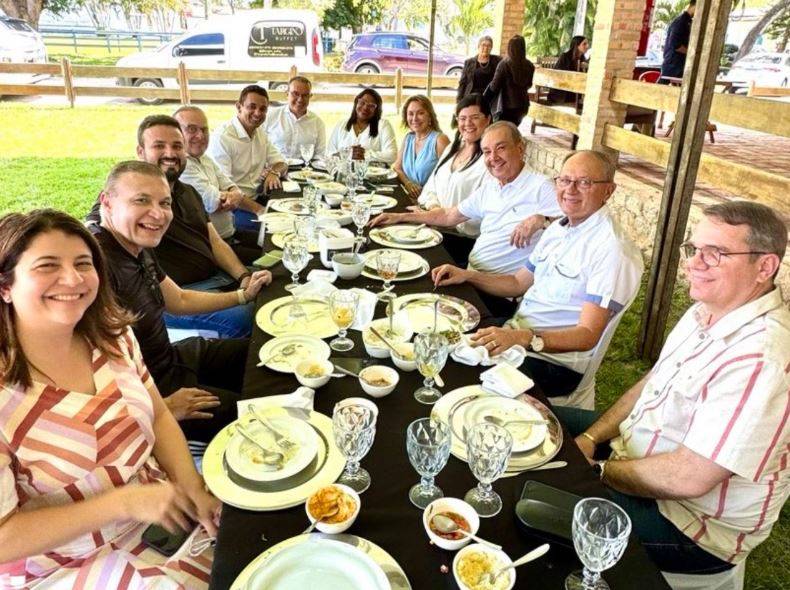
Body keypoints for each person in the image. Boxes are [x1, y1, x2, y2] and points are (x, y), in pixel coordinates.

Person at [561, 200, 788, 575]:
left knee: (539, 504)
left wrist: (597, 470)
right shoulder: (707, 310)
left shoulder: (761, 356)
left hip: (689, 526)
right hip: (632, 454)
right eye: (694, 248)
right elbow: (650, 385)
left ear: (765, 266)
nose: (695, 263)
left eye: (716, 253)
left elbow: (689, 477)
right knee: (533, 419)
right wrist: (588, 438)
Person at [0, 209, 219, 587]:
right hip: (67, 563)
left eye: (83, 263)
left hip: (163, 520)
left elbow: (159, 417)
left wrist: (192, 487)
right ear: (5, 286)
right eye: (47, 266)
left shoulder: (113, 337)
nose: (72, 279)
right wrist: (123, 502)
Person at [432, 150, 643, 398]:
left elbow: (587, 334)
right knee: (439, 332)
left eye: (584, 182)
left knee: (456, 380)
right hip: (518, 334)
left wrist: (523, 338)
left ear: (608, 190)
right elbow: (517, 283)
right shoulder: (558, 228)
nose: (570, 190)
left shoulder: (610, 249)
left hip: (554, 362)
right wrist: (468, 276)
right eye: (564, 180)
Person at [94, 160, 270, 442]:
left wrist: (242, 295)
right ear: (107, 202)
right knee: (260, 421)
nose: (158, 214)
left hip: (174, 358)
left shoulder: (137, 244)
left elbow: (180, 299)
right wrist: (161, 408)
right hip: (157, 392)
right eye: (141, 200)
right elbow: (83, 380)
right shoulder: (94, 267)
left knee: (267, 356)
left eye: (165, 203)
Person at [86, 114, 268, 339]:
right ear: (141, 151)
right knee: (251, 316)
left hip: (218, 278)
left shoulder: (188, 192)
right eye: (159, 146)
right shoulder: (123, 200)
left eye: (177, 146)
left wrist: (242, 276)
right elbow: (96, 225)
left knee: (273, 287)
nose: (170, 154)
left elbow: (214, 241)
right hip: (178, 296)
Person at [371, 121, 561, 317]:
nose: (493, 157)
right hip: (469, 275)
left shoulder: (540, 186)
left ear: (520, 148)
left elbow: (572, 224)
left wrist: (542, 219)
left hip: (496, 295)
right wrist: (401, 216)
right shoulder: (493, 186)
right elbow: (450, 215)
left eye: (501, 148)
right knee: (400, 283)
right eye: (487, 152)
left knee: (412, 310)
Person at [174, 105, 264, 264]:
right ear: (176, 133)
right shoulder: (183, 166)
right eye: (192, 129)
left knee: (275, 240)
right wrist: (229, 197)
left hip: (231, 235)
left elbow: (232, 187)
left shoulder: (205, 159)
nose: (200, 136)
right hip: (213, 250)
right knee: (275, 261)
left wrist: (231, 195)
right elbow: (213, 202)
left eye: (204, 129)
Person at [208, 85, 288, 229]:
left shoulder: (260, 133)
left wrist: (274, 172)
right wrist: (259, 210)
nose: (258, 113)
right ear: (239, 107)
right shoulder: (223, 138)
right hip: (234, 208)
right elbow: (225, 191)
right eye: (252, 107)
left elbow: (282, 163)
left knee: (295, 213)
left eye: (263, 109)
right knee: (279, 228)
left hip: (257, 197)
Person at [417, 93, 492, 238]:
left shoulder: (489, 160)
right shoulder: (453, 149)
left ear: (488, 119)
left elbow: (482, 212)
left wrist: (445, 219)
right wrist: (434, 209)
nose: (468, 123)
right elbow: (430, 188)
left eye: (475, 117)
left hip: (462, 239)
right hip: (436, 227)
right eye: (462, 118)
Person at [392, 95, 450, 200]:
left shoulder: (440, 140)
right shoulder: (408, 139)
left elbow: (450, 177)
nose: (414, 118)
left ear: (430, 116)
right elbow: (397, 167)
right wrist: (408, 184)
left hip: (432, 202)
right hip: (409, 198)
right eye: (410, 114)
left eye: (420, 113)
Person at [327, 88, 397, 164]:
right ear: (356, 103)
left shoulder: (383, 125)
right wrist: (347, 153)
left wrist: (365, 154)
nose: (365, 108)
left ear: (377, 110)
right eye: (362, 102)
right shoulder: (341, 124)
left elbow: (392, 155)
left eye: (371, 106)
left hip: (372, 174)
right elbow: (329, 154)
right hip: (343, 174)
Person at [265, 76, 327, 161]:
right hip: (275, 169)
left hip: (304, 171)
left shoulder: (317, 123)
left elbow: (320, 155)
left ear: (310, 96)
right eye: (295, 94)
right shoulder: (271, 116)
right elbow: (259, 147)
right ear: (287, 94)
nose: (300, 99)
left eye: (305, 95)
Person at [483, 35, 535, 126]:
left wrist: (483, 101)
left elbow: (494, 86)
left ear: (509, 47)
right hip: (523, 106)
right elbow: (529, 85)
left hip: (506, 107)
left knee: (502, 133)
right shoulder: (530, 65)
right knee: (512, 130)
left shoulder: (504, 64)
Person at [456, 36, 503, 103]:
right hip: (472, 96)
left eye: (489, 46)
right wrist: (458, 101)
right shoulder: (469, 62)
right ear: (478, 46)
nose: (486, 48)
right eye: (483, 45)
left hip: (489, 97)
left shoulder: (497, 61)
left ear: (491, 48)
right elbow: (462, 83)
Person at [548, 35, 589, 104]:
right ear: (577, 45)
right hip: (562, 92)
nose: (587, 46)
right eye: (584, 44)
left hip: (574, 90)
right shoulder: (565, 57)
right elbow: (558, 75)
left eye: (587, 44)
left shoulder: (583, 59)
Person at [661, 0, 696, 80]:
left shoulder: (689, 22)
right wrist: (693, 53)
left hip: (679, 65)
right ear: (694, 6)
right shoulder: (680, 22)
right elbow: (676, 45)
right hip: (673, 66)